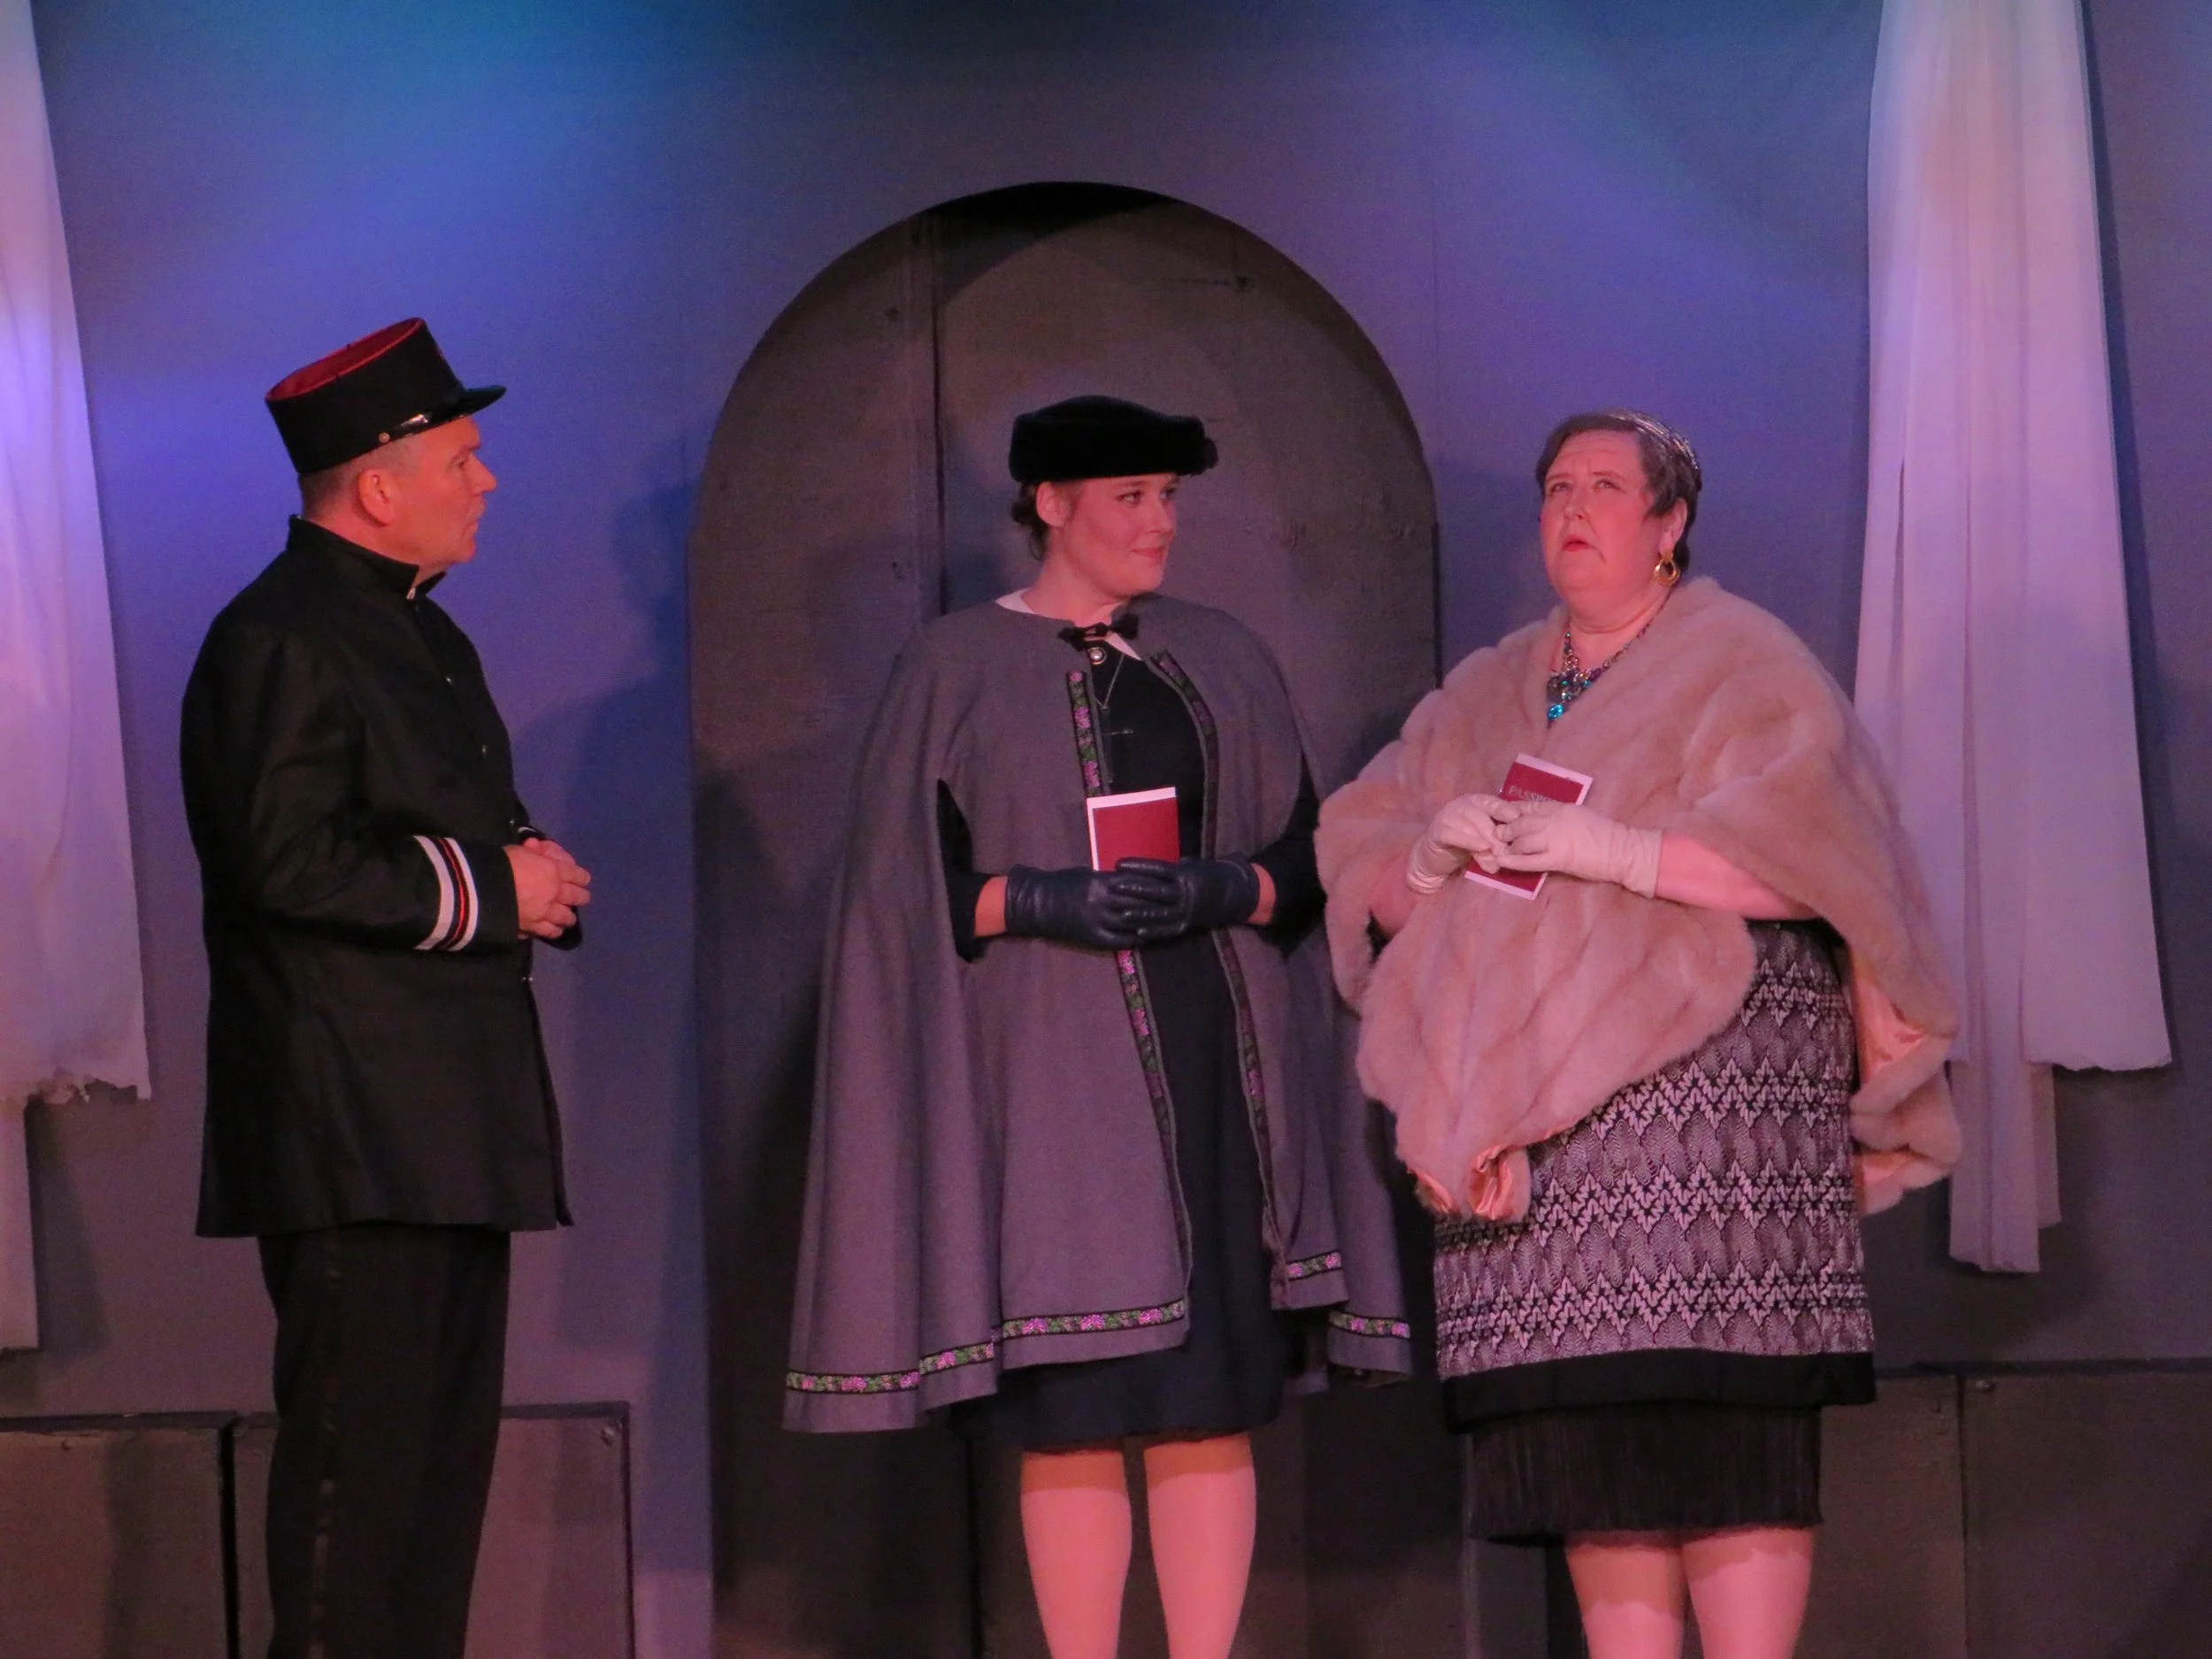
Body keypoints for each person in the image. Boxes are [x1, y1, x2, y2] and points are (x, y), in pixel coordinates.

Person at [1316, 410, 1960, 1659]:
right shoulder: (1490, 688)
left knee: (1726, 1432)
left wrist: (1620, 851)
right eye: (1557, 483)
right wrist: (1427, 856)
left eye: (1607, 485)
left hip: (1711, 1127)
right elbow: (1363, 856)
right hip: (1552, 1156)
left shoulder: (1743, 661)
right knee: (1593, 1433)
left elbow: (1824, 862)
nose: (1573, 505)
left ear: (1668, 526)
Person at [786, 396, 1409, 1659]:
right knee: (1072, 1403)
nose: (1158, 521)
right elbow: (905, 892)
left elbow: (1308, 846)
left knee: (1202, 1396)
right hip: (1051, 1073)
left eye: (1169, 496)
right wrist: (1040, 897)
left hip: (1212, 1051)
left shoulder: (1221, 651)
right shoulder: (953, 665)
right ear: (1049, 506)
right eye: (1130, 495)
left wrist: (1225, 884)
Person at [180, 318, 591, 1659]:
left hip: (438, 1128)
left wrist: (527, 873)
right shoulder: (284, 635)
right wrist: (494, 884)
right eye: (463, 457)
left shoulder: (419, 635)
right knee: (360, 1493)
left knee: (430, 1490)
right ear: (377, 480)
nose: (487, 480)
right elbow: (280, 859)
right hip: (355, 1126)